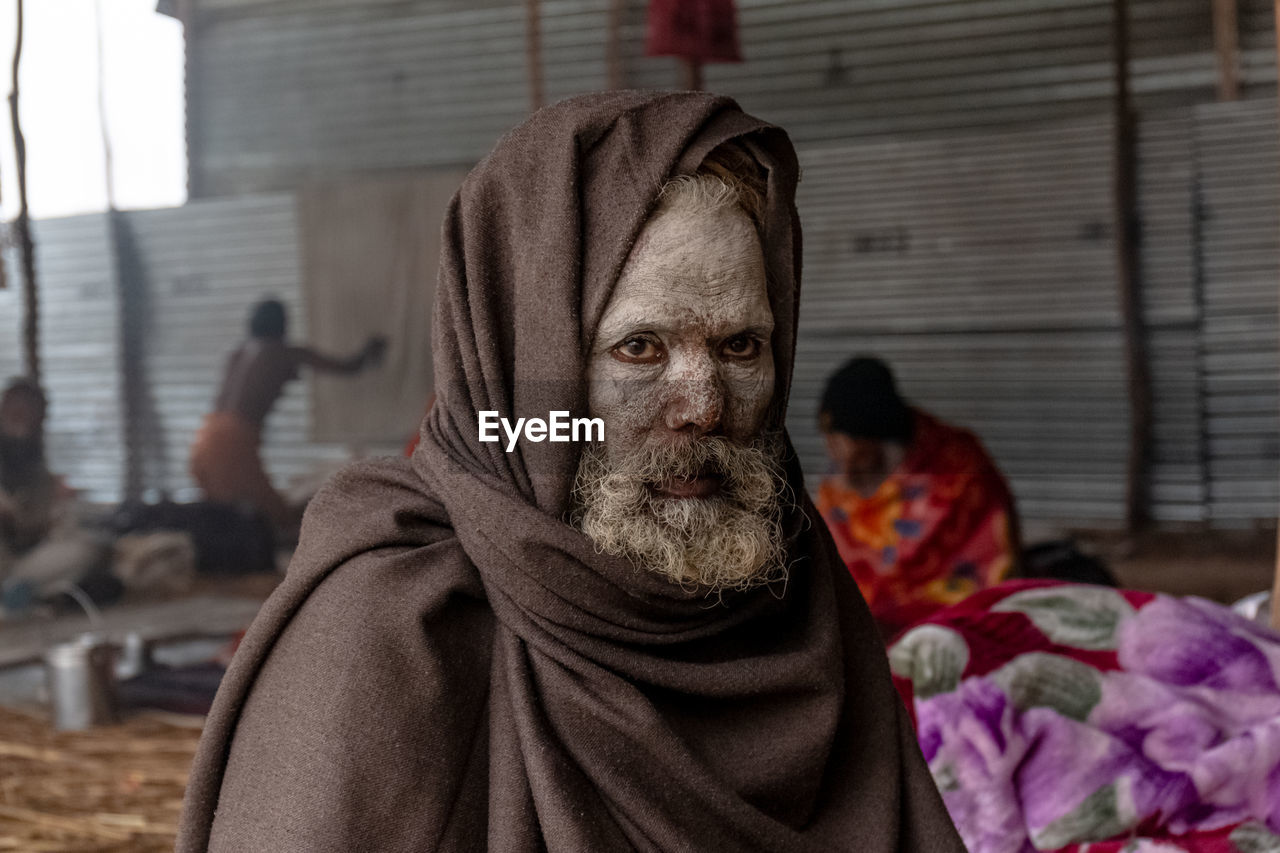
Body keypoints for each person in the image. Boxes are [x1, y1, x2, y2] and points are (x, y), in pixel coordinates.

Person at [178, 92, 964, 852]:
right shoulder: (393, 622)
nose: (704, 404)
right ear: (524, 366)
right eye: (639, 347)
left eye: (741, 347)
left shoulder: (797, 591)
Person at [816, 356, 1019, 638]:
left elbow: (983, 573)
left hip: (949, 628)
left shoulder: (958, 474)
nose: (832, 453)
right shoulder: (848, 476)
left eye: (840, 441)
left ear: (873, 439)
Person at [188, 299, 386, 535]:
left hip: (204, 437)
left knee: (229, 515)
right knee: (276, 519)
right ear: (282, 325)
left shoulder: (239, 352)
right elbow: (347, 366)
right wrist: (369, 351)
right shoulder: (283, 352)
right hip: (233, 442)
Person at [0, 377, 111, 613]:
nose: (22, 418)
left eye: (29, 412)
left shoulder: (31, 457)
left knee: (89, 548)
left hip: (21, 558)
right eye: (15, 409)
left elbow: (29, 527)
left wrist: (52, 505)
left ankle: (24, 595)